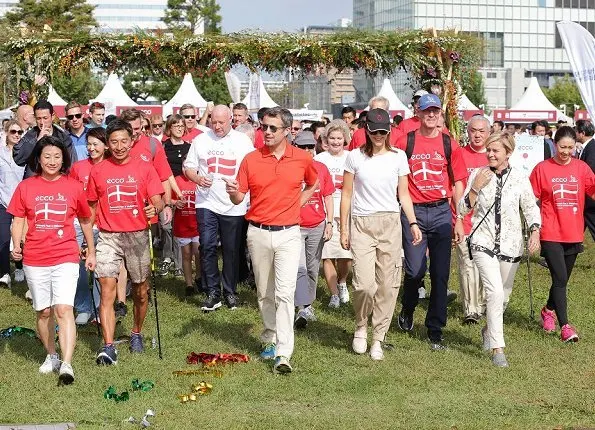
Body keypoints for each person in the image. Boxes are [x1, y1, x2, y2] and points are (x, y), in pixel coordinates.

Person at [224, 107, 318, 374]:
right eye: (263, 126)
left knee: (285, 294)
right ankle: (269, 336)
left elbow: (313, 183)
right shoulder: (250, 160)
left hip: (289, 233)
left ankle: (283, 352)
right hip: (257, 232)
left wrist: (297, 204)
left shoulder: (301, 158)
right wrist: (232, 192)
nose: (266, 132)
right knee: (265, 292)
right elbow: (238, 198)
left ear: (287, 131)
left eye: (272, 128)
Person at [8, 135, 96, 384]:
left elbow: (86, 220)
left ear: (64, 159)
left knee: (63, 308)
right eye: (47, 156)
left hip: (66, 254)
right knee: (44, 311)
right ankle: (52, 355)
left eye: (57, 156)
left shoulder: (73, 186)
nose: (52, 161)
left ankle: (67, 364)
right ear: (38, 158)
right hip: (35, 257)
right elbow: (19, 219)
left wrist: (90, 251)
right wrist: (17, 245)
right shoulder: (26, 187)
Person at [340, 109, 421, 360]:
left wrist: (413, 223)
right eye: (374, 130)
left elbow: (404, 194)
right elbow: (346, 194)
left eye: (383, 131)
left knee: (388, 284)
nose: (378, 135)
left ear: (389, 131)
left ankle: (379, 336)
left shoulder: (398, 157)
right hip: (362, 223)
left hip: (390, 222)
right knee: (364, 284)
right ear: (366, 130)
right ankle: (361, 325)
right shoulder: (354, 157)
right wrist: (344, 228)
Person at [458, 132, 541, 367]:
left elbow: (530, 207)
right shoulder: (478, 174)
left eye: (496, 150)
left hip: (511, 244)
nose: (490, 154)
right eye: (489, 150)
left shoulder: (520, 178)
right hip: (482, 243)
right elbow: (462, 209)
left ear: (508, 153)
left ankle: (488, 330)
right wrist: (474, 189)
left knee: (503, 298)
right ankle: (498, 349)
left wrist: (535, 231)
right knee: (494, 293)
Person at [87, 119, 164, 365]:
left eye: (123, 141)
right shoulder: (98, 170)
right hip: (109, 236)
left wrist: (155, 208)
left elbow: (158, 200)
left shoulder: (145, 167)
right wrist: (89, 244)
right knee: (107, 290)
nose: (119, 146)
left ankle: (136, 333)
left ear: (132, 142)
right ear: (107, 145)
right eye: (114, 142)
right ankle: (108, 346)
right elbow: (90, 207)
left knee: (141, 292)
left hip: (138, 235)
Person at [395, 93, 467, 350]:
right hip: (413, 212)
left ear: (440, 114)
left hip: (441, 212)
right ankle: (408, 306)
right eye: (427, 111)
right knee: (415, 270)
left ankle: (435, 328)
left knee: (440, 273)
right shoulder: (406, 141)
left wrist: (458, 218)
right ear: (418, 112)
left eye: (435, 111)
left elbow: (459, 182)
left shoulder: (450, 144)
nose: (432, 115)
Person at [184, 105, 254, 311]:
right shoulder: (201, 140)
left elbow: (252, 168)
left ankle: (230, 291)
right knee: (207, 246)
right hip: (206, 202)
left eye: (221, 122)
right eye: (213, 121)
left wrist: (241, 188)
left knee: (232, 250)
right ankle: (212, 292)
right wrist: (197, 177)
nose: (217, 126)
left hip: (234, 203)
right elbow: (188, 167)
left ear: (231, 120)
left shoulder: (242, 141)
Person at [530, 126, 595, 342]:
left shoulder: (582, 168)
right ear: (554, 144)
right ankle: (566, 326)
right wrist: (533, 229)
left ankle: (548, 311)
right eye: (562, 147)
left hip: (574, 232)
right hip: (550, 231)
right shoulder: (542, 169)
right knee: (559, 278)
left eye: (570, 147)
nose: (566, 151)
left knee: (562, 279)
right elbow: (530, 199)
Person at [293, 131, 334, 328]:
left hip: (317, 224)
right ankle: (301, 306)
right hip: (295, 226)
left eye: (310, 146)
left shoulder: (322, 168)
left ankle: (307, 303)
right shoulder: (290, 167)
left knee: (312, 267)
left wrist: (330, 222)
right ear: (295, 147)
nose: (307, 150)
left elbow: (327, 196)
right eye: (303, 147)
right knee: (299, 267)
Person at [69, 127, 108, 325]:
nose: (91, 148)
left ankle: (100, 308)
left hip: (102, 224)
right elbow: (72, 194)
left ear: (105, 145)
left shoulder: (110, 166)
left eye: (95, 144)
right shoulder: (78, 167)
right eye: (89, 144)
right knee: (79, 268)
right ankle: (83, 307)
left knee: (100, 268)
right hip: (79, 222)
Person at [314, 120, 353, 307]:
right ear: (326, 140)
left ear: (345, 139)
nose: (336, 142)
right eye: (332, 138)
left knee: (346, 253)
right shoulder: (319, 159)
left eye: (339, 138)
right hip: (325, 210)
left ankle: (342, 281)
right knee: (327, 254)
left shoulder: (352, 157)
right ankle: (334, 294)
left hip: (347, 209)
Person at [457, 115, 490, 324]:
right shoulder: (460, 155)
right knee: (467, 264)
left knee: (485, 265)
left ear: (488, 132)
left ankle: (487, 304)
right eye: (473, 131)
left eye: (481, 131)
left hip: (487, 222)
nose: (477, 135)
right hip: (465, 219)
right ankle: (471, 309)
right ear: (467, 132)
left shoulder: (495, 156)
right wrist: (457, 217)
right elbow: (456, 187)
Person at [13, 100, 77, 178]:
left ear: (52, 116)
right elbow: (18, 159)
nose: (42, 122)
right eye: (39, 118)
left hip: (57, 181)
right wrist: (36, 142)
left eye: (45, 118)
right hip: (35, 181)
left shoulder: (63, 137)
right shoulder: (30, 135)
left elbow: (71, 163)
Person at [160, 114, 190, 276]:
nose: (179, 128)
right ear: (169, 128)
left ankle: (179, 263)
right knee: (166, 226)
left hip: (184, 188)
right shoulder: (163, 147)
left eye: (181, 125)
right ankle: (166, 257)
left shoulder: (189, 147)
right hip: (167, 189)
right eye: (175, 125)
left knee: (180, 227)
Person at [0, 120, 26, 288]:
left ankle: (19, 266)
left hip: (22, 202)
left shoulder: (25, 153)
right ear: (6, 133)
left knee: (22, 238)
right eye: (13, 132)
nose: (16, 135)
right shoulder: (0, 153)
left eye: (19, 132)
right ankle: (4, 273)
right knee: (3, 237)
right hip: (3, 201)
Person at [575, 119, 595, 241]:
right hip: (586, 199)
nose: (575, 134)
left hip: (590, 199)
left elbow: (589, 172)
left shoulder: (592, 148)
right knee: (576, 229)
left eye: (576, 131)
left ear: (582, 133)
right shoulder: (587, 147)